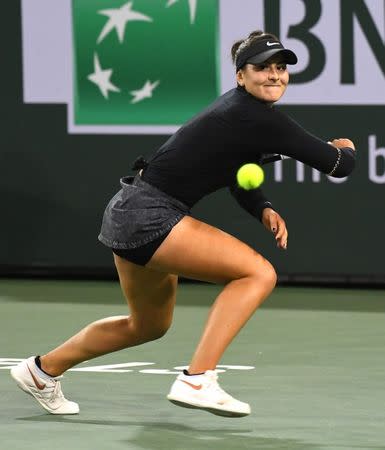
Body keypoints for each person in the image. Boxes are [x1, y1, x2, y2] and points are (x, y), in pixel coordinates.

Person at [11, 30, 356, 418]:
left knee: (147, 326)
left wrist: (262, 207)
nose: (274, 75)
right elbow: (338, 166)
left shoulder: (241, 111)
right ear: (241, 75)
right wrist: (344, 148)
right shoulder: (255, 115)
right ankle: (197, 378)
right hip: (149, 215)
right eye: (263, 68)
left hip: (128, 211)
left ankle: (41, 371)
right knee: (257, 274)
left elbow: (237, 171)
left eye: (281, 68)